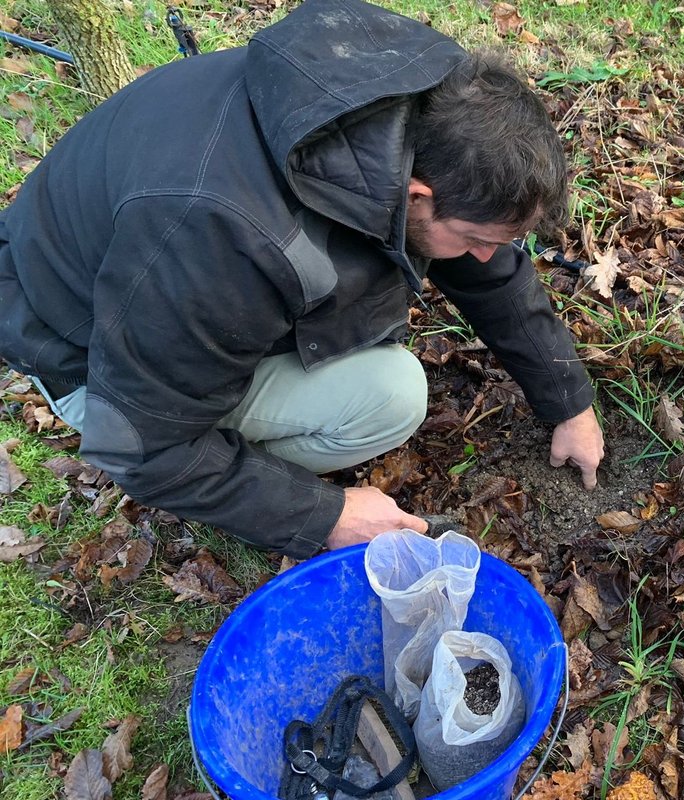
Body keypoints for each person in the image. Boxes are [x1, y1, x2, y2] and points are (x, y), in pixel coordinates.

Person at [0, 0, 604, 559]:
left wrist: (568, 403)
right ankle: (231, 470)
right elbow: (137, 444)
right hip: (80, 348)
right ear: (417, 195)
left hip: (150, 277)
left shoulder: (417, 99)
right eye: (474, 240)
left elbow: (488, 263)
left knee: (385, 350)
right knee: (389, 400)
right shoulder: (219, 235)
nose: (481, 257)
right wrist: (325, 514)